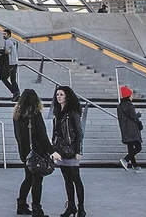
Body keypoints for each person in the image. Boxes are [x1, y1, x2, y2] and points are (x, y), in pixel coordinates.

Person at [13, 89, 56, 217]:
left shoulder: (17, 115)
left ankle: (21, 205)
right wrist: (51, 151)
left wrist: (23, 151)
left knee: (28, 178)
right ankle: (37, 209)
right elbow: (42, 135)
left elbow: (17, 135)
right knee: (37, 180)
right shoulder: (35, 114)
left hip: (25, 152)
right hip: (37, 152)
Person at [52, 86, 85, 217]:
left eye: (61, 94)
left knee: (76, 179)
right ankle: (71, 206)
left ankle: (81, 208)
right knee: (67, 179)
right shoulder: (57, 113)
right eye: (57, 94)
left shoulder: (72, 113)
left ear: (67, 96)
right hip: (61, 150)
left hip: (71, 150)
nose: (59, 97)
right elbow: (56, 133)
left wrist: (79, 151)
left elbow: (79, 132)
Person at [117, 86, 143, 173]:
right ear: (128, 96)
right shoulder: (130, 105)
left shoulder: (120, 106)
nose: (132, 97)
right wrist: (139, 114)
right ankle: (125, 159)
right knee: (138, 147)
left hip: (125, 129)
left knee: (130, 148)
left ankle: (135, 165)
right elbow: (134, 117)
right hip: (132, 129)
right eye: (131, 95)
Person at [1, 29, 21, 102]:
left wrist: (2, 52)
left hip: (10, 63)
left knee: (3, 78)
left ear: (9, 35)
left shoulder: (8, 41)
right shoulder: (13, 41)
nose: (3, 36)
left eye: (5, 34)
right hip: (14, 62)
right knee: (13, 80)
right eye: (3, 34)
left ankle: (15, 91)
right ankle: (16, 92)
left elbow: (7, 51)